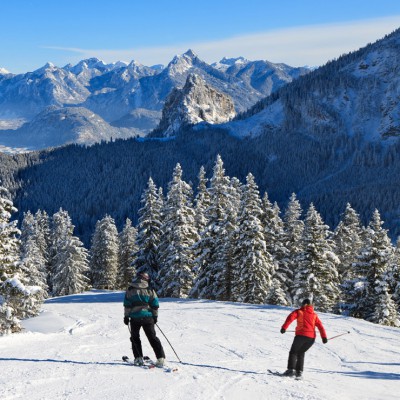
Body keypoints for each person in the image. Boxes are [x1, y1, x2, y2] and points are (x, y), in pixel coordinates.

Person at [123, 272, 166, 367]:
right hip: (148, 317)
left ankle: (138, 358)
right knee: (152, 337)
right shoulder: (149, 289)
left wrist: (126, 316)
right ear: (145, 279)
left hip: (135, 317)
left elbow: (127, 305)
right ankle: (160, 358)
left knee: (135, 338)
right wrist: (155, 317)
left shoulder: (131, 289)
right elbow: (155, 305)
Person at [280, 298, 328, 378]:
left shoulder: (299, 311)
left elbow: (290, 318)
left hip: (301, 336)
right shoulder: (314, 315)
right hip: (311, 339)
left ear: (304, 304)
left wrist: (284, 328)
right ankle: (299, 372)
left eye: (302, 304)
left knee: (293, 352)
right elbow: (320, 326)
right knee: (301, 353)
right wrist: (324, 337)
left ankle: (290, 370)